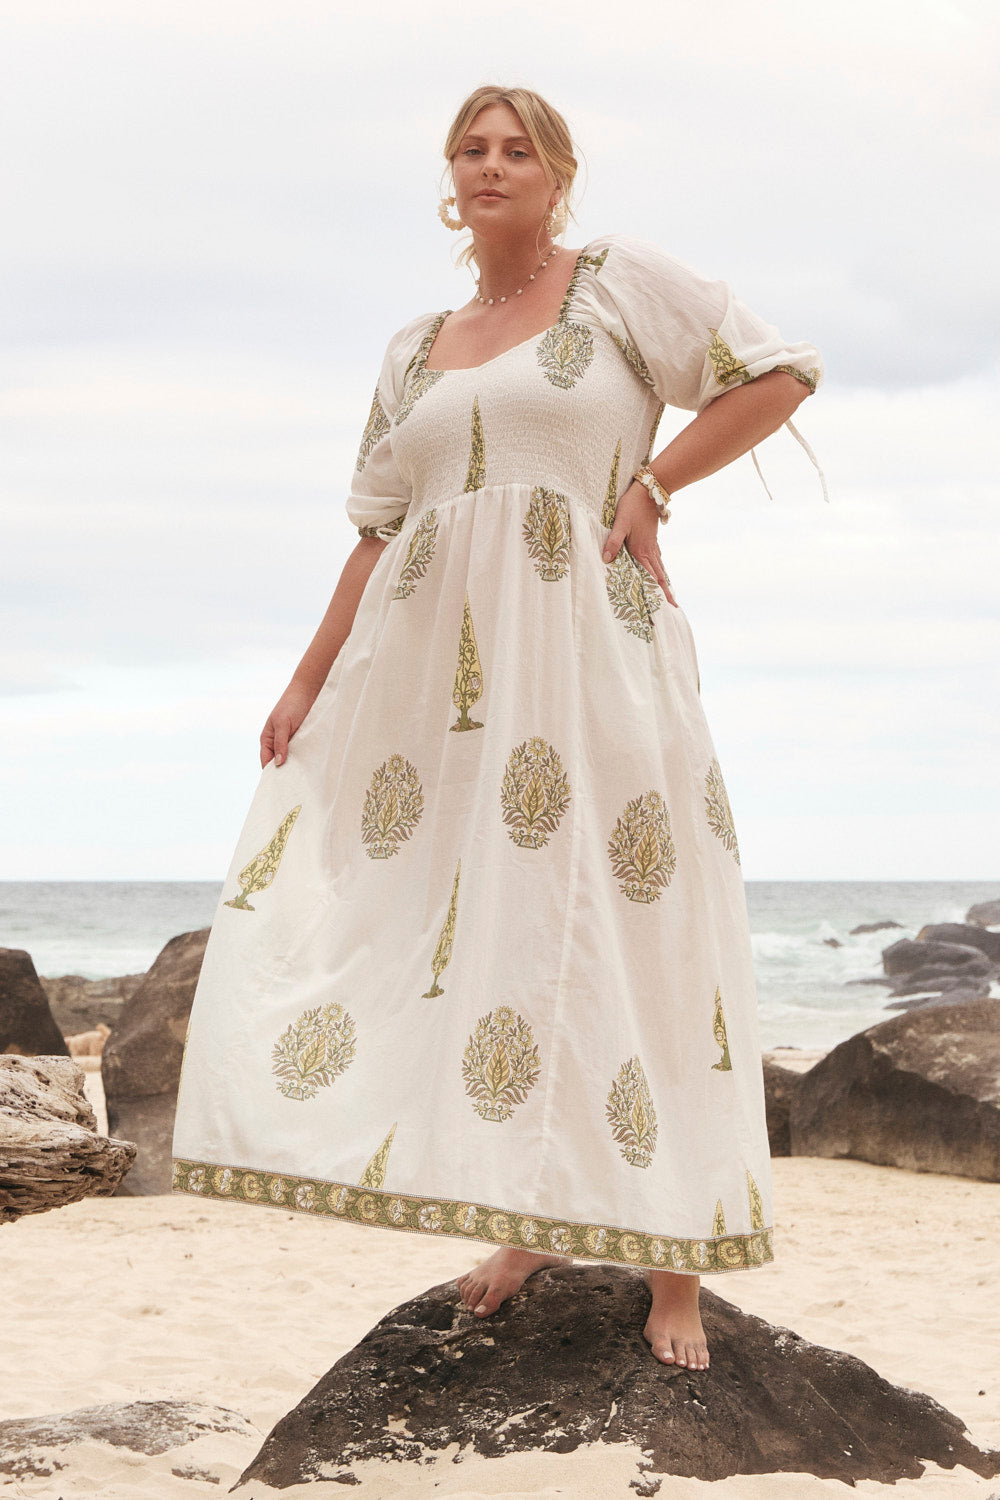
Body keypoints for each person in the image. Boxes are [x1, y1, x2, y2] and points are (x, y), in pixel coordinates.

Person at [171, 84, 823, 1376]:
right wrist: (305, 682)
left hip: (596, 669)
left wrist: (651, 484)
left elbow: (779, 373)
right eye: (471, 147)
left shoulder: (620, 286)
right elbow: (375, 529)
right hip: (447, 710)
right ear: (449, 179)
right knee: (494, 947)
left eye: (517, 148)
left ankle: (672, 1269)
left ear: (557, 174)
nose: (490, 164)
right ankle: (526, 1222)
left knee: (640, 938)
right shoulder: (416, 347)